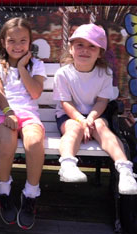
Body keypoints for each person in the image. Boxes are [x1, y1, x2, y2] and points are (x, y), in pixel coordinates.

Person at [53, 23, 137, 195]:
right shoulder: (63, 74)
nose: (85, 50)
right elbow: (66, 103)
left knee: (102, 127)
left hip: (95, 114)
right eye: (80, 45)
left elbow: (101, 102)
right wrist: (81, 120)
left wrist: (90, 118)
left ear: (100, 53)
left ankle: (125, 170)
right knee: (73, 128)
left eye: (92, 46)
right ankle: (68, 164)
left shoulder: (104, 73)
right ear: (71, 49)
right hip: (70, 115)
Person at [0, 18, 46, 230]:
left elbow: (35, 92)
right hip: (4, 113)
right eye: (12, 40)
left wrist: (23, 68)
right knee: (6, 144)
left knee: (33, 144)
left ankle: (30, 195)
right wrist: (8, 113)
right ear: (3, 42)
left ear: (30, 41)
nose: (17, 45)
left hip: (29, 114)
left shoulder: (36, 65)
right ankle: (4, 193)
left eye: (23, 40)